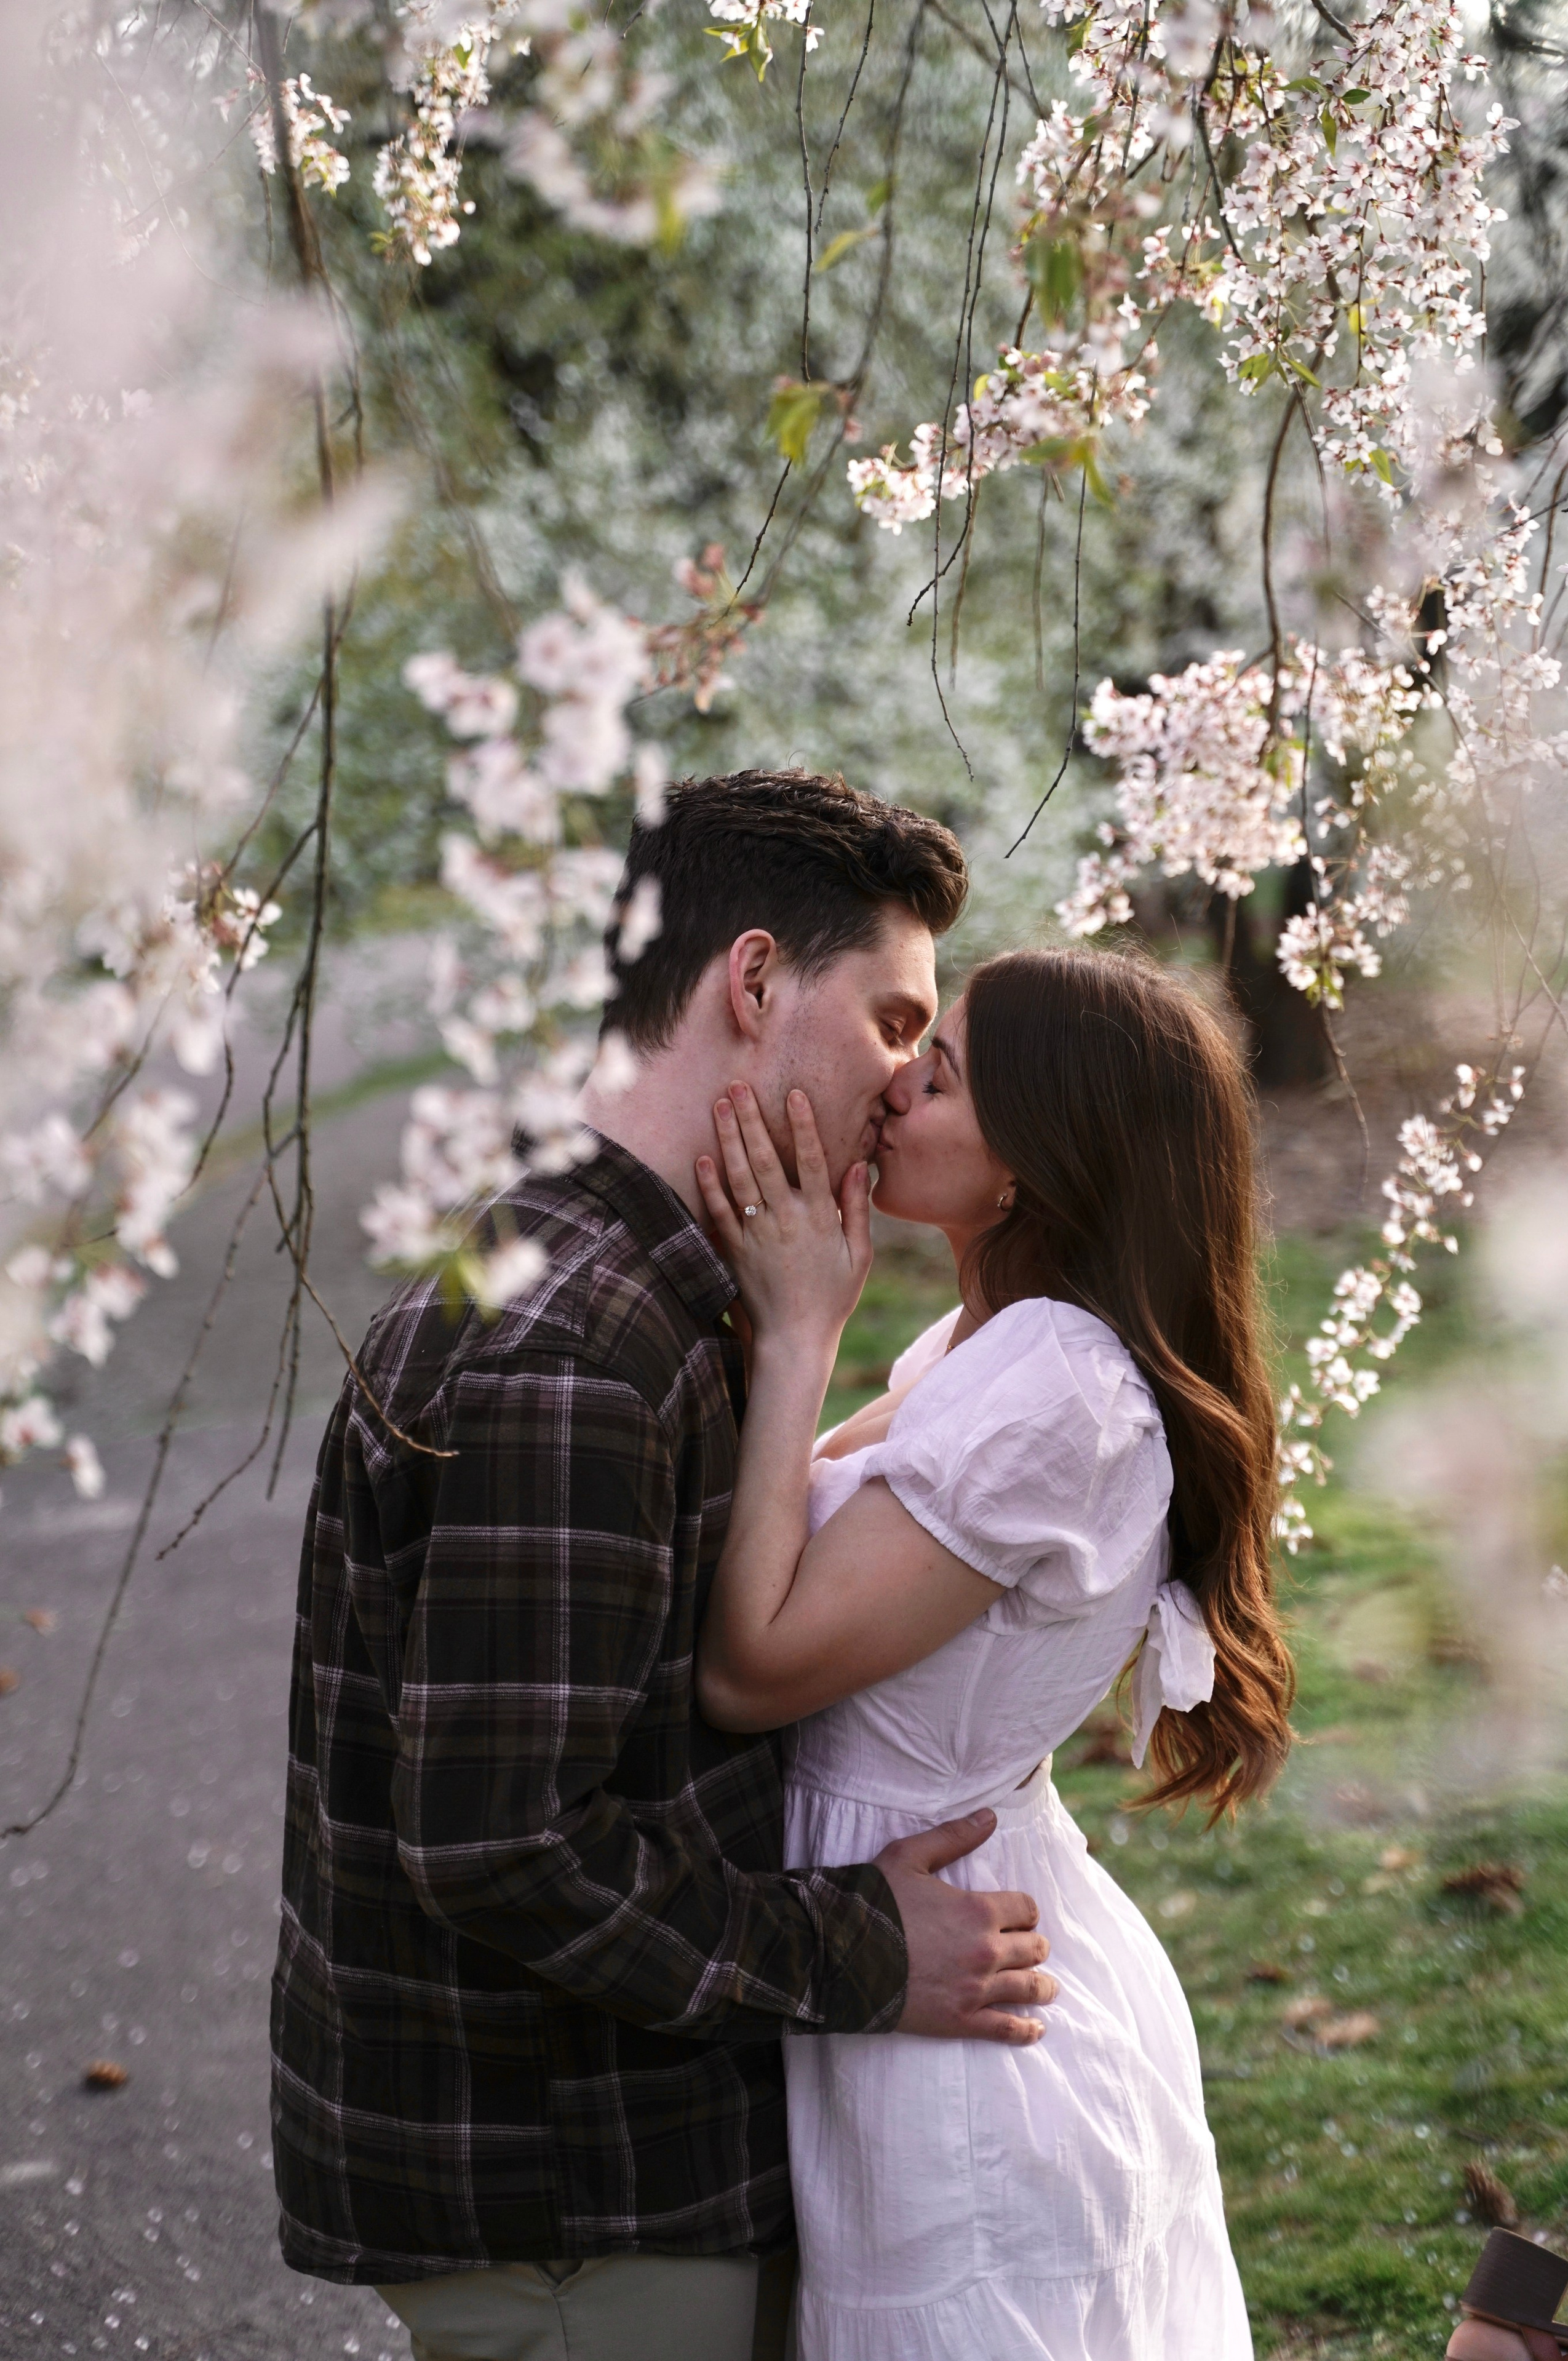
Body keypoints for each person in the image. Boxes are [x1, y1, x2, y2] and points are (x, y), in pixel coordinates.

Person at [269, 770, 1060, 2361]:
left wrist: (799, 1341)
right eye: (898, 1023)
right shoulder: (577, 1349)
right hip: (576, 2197)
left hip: (622, 2164)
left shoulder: (627, 1281)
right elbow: (504, 1845)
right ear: (754, 981)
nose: (910, 1085)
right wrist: (863, 1951)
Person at [693, 944, 1296, 2360]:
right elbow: (774, 1522)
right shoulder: (986, 1348)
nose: (894, 1081)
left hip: (958, 2026)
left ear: (1035, 1156)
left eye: (941, 1070)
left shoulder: (1054, 1393)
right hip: (922, 1948)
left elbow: (752, 1660)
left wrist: (798, 1332)